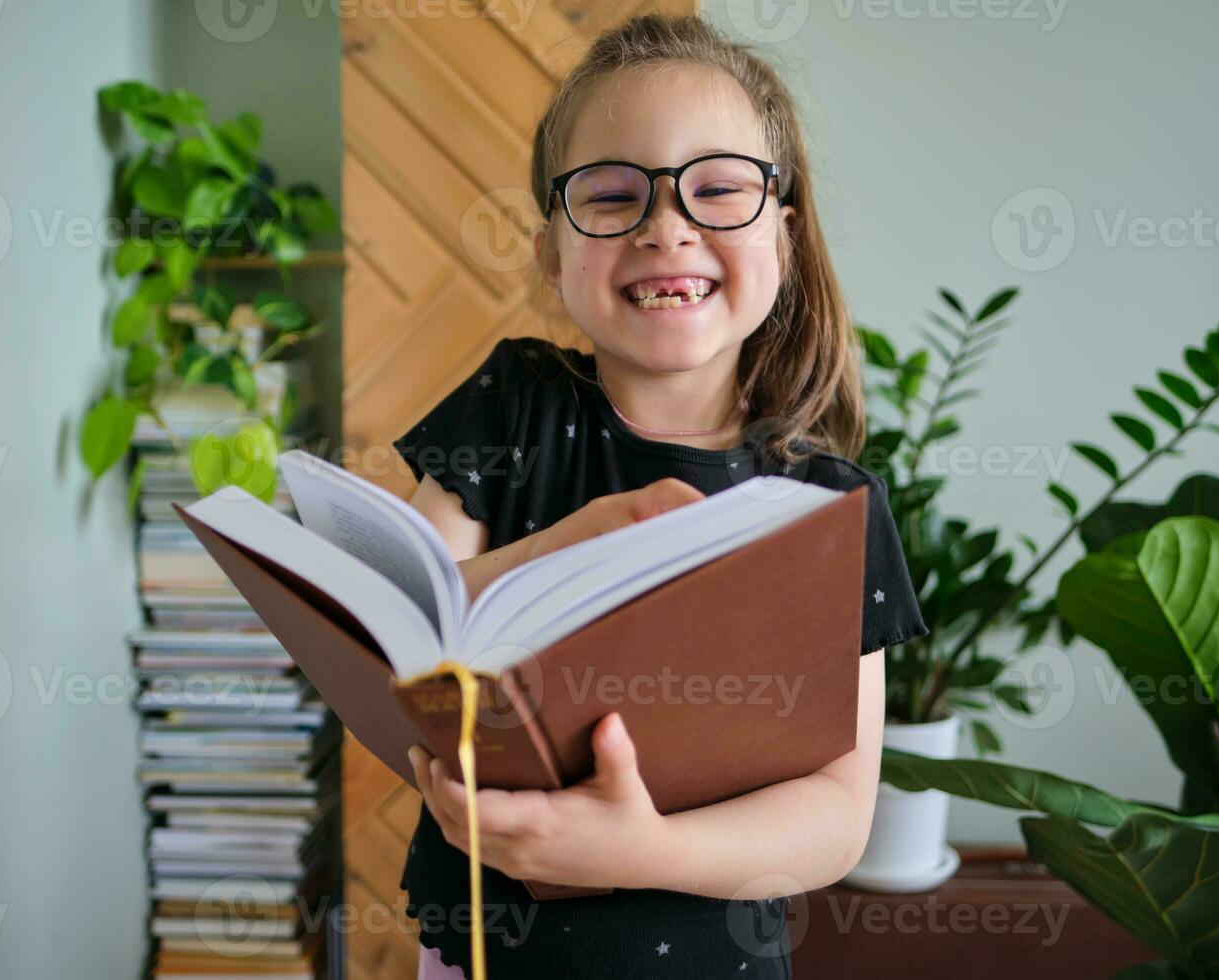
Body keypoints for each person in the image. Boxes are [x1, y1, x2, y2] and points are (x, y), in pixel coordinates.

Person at [390, 12, 929, 979]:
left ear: (786, 236)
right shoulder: (510, 407)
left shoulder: (828, 506)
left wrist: (640, 853)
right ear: (553, 251)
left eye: (717, 188)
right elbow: (401, 623)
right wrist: (570, 544)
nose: (666, 226)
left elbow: (838, 816)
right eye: (611, 195)